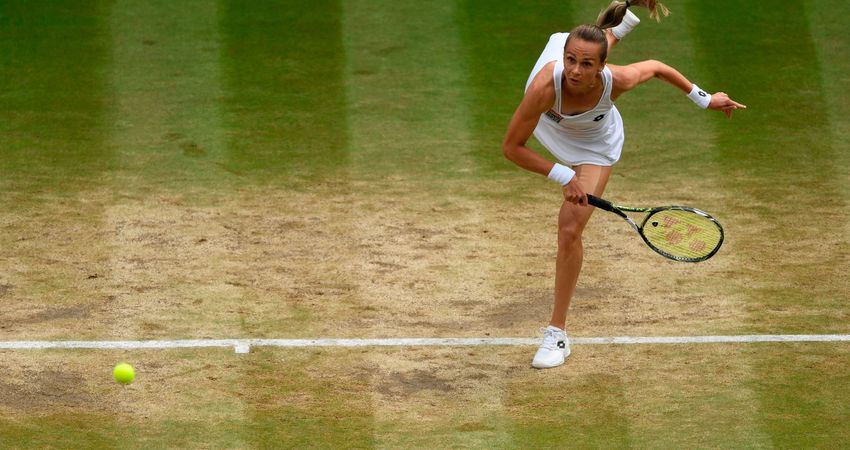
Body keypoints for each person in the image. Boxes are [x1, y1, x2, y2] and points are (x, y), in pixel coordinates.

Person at [501, 0, 746, 369]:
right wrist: (563, 175)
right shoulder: (546, 85)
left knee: (569, 228)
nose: (575, 70)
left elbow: (657, 68)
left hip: (594, 145)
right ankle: (620, 22)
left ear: (602, 69)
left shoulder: (615, 80)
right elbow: (511, 148)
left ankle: (557, 335)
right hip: (548, 125)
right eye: (570, 59)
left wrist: (706, 99)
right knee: (593, 42)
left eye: (586, 65)